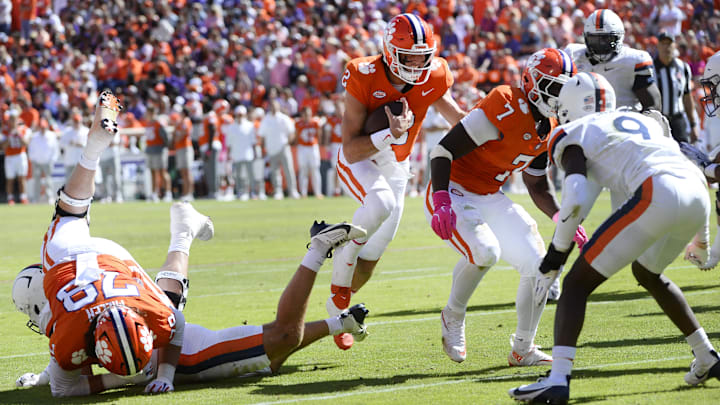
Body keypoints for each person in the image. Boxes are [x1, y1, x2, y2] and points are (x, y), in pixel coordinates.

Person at [509, 72, 720, 404]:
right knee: (647, 273)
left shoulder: (571, 131)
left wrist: (556, 255)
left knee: (576, 285)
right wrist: (703, 240)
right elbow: (687, 163)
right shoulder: (642, 120)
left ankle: (558, 379)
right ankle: (706, 355)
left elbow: (576, 195)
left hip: (659, 191)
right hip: (696, 194)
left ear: (566, 107)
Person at [13, 213, 370, 393]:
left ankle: (319, 248)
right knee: (267, 360)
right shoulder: (73, 291)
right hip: (124, 282)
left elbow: (67, 383)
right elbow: (62, 368)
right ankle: (343, 322)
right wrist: (45, 377)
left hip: (181, 352)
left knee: (281, 340)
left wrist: (148, 375)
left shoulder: (68, 323)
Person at [425, 48, 587, 364]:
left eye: (564, 89)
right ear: (531, 81)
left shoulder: (550, 123)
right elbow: (442, 151)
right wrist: (441, 200)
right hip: (454, 189)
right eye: (553, 87)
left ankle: (523, 348)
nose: (559, 96)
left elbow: (537, 183)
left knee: (542, 267)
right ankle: (453, 314)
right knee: (486, 251)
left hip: (489, 194)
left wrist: (560, 215)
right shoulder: (505, 103)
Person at [327, 13, 466, 350]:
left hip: (396, 166)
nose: (418, 63)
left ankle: (338, 311)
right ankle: (335, 295)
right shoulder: (363, 74)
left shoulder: (434, 74)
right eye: (410, 56)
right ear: (390, 52)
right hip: (360, 158)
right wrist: (389, 133)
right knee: (380, 204)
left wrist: (489, 131)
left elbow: (457, 118)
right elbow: (350, 148)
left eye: (423, 56)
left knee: (372, 256)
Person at [564, 9, 661, 112]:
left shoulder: (633, 61)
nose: (599, 45)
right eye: (594, 39)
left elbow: (653, 106)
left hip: (621, 124)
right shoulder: (573, 55)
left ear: (619, 37)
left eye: (605, 39)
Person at [653, 32, 699, 143]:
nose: (666, 47)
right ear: (658, 46)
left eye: (669, 44)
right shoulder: (650, 68)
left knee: (683, 154)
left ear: (675, 46)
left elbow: (687, 97)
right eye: (663, 43)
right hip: (658, 121)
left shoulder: (683, 67)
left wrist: (693, 125)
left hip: (678, 120)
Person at [258, 99, 299, 200]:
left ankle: (292, 191)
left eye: (275, 105)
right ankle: (278, 191)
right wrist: (263, 148)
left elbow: (291, 132)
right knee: (275, 172)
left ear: (279, 107)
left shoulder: (284, 118)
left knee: (288, 170)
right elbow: (262, 136)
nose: (273, 108)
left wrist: (287, 143)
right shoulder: (266, 120)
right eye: (271, 106)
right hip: (271, 149)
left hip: (283, 147)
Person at [224, 105, 258, 201]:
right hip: (236, 154)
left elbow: (253, 141)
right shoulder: (231, 127)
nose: (240, 117)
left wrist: (255, 152)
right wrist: (229, 155)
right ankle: (240, 192)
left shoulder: (250, 125)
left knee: (251, 175)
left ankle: (253, 192)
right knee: (238, 175)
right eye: (238, 115)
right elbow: (229, 143)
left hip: (248, 154)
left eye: (241, 115)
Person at [1, 109, 30, 204]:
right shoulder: (4, 130)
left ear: (17, 120)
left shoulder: (23, 129)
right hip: (9, 156)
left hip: (20, 155)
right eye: (11, 119)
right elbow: (2, 146)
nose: (12, 121)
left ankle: (23, 197)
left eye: (14, 119)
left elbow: (26, 144)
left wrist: (19, 135)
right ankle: (10, 198)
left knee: (22, 178)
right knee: (10, 178)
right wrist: (10, 136)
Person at [28, 117, 59, 204]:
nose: (43, 129)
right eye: (41, 127)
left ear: (47, 127)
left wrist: (52, 160)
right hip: (37, 162)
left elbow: (55, 149)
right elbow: (31, 149)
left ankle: (49, 197)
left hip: (48, 162)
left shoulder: (51, 135)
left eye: (44, 127)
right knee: (36, 181)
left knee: (48, 180)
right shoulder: (35, 136)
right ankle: (36, 198)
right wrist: (33, 159)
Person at [295, 106, 324, 199]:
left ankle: (317, 192)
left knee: (315, 169)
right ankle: (303, 193)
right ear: (302, 115)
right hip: (303, 147)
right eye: (305, 114)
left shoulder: (315, 122)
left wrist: (318, 144)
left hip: (312, 147)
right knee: (303, 170)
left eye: (308, 114)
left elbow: (319, 134)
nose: (307, 116)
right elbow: (296, 136)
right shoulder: (298, 123)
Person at [144, 106, 172, 202]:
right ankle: (154, 193)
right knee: (152, 172)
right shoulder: (148, 124)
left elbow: (165, 138)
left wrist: (163, 148)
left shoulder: (158, 123)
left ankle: (168, 193)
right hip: (150, 150)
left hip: (159, 150)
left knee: (162, 172)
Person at [169, 110, 195, 201]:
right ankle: (185, 192)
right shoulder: (180, 122)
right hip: (180, 148)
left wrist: (177, 139)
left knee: (187, 171)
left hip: (185, 148)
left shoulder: (186, 121)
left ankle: (190, 193)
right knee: (183, 172)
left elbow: (184, 133)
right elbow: (174, 132)